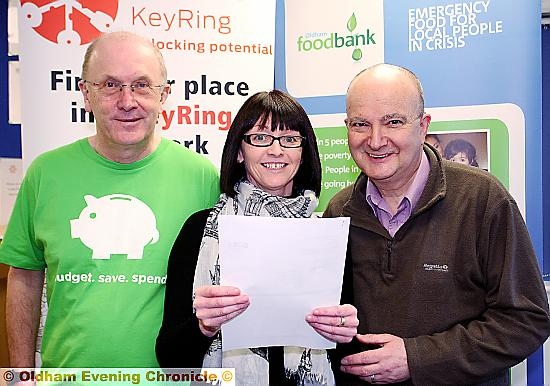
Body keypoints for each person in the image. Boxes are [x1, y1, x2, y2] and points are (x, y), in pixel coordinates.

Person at [0, 31, 220, 368]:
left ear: (164, 96)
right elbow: (24, 275)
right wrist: (20, 374)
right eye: (110, 85)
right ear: (86, 94)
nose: (127, 101)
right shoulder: (46, 174)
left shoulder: (202, 178)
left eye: (142, 85)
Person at [324, 63, 550, 385]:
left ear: (422, 126)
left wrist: (417, 359)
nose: (375, 140)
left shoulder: (482, 199)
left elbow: (526, 320)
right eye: (361, 124)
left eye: (393, 122)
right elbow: (334, 327)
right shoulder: (339, 211)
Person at [156, 90, 359, 385]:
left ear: (303, 153)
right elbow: (169, 359)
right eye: (260, 137)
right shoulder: (201, 230)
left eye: (290, 139)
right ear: (239, 151)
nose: (276, 150)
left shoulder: (325, 236)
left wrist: (344, 333)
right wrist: (204, 326)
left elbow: (342, 356)